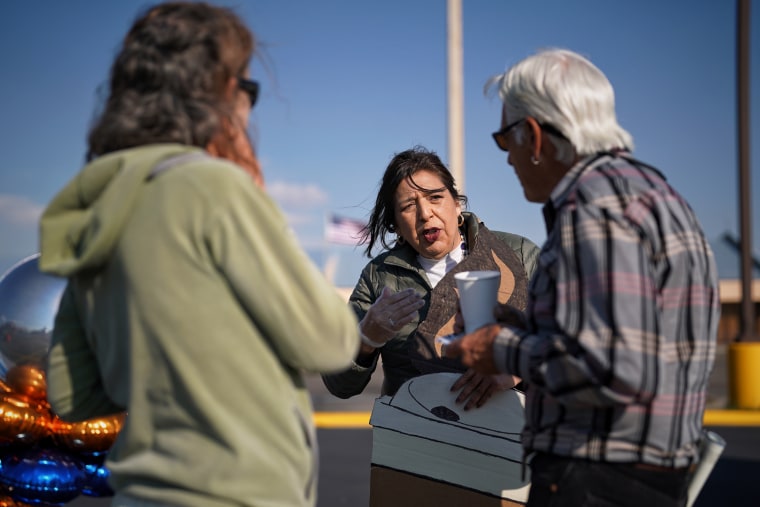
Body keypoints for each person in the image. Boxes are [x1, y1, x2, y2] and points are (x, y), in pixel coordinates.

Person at [37, 3, 359, 507]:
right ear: (222, 94)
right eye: (248, 91)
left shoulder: (94, 208)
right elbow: (331, 341)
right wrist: (256, 197)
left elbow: (74, 395)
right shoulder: (213, 189)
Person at [445, 48, 720, 506]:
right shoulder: (656, 194)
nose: (508, 159)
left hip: (597, 479)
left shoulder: (592, 208)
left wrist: (498, 348)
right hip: (650, 475)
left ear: (532, 136)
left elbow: (611, 367)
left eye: (503, 139)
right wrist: (524, 328)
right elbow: (632, 344)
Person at [322, 146, 540, 410]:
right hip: (415, 443)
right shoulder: (378, 277)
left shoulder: (518, 254)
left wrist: (517, 366)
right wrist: (366, 339)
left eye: (435, 197)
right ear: (396, 225)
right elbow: (340, 386)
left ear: (456, 203)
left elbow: (576, 341)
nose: (425, 213)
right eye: (409, 206)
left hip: (506, 440)